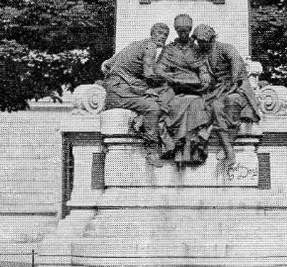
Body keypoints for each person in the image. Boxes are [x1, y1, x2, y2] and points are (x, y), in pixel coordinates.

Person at [100, 23, 169, 167]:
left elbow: (105, 65)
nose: (162, 37)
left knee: (154, 97)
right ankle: (151, 151)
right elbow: (149, 74)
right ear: (152, 34)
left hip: (114, 89)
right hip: (120, 92)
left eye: (165, 35)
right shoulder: (150, 47)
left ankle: (141, 119)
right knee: (153, 107)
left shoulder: (135, 45)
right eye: (160, 33)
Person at [191, 24, 261, 166]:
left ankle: (228, 150)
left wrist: (233, 81)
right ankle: (226, 148)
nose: (201, 44)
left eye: (203, 41)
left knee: (227, 103)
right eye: (199, 41)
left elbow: (235, 62)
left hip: (239, 88)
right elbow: (202, 70)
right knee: (204, 105)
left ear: (211, 39)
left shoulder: (225, 48)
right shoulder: (202, 54)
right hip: (218, 90)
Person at [154, 14, 213, 166]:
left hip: (195, 89)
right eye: (180, 31)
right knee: (178, 104)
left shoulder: (196, 50)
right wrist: (170, 77)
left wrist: (204, 77)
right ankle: (178, 147)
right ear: (176, 30)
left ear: (190, 30)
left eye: (186, 31)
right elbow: (159, 68)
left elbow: (203, 69)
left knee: (197, 104)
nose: (183, 34)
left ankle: (190, 149)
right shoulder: (169, 49)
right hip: (174, 88)